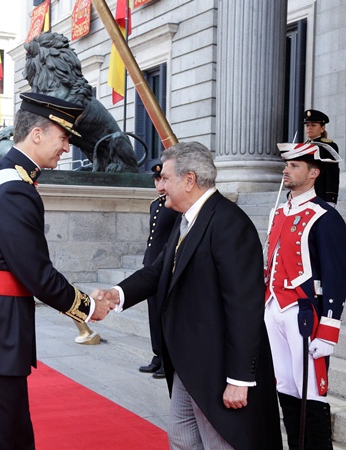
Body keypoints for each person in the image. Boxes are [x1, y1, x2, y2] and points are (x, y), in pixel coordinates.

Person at [0, 92, 113, 450]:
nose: (66, 148)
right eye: (63, 137)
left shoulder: (2, 176)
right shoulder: (16, 190)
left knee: (1, 433)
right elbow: (36, 273)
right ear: (37, 134)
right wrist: (86, 307)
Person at [96, 142, 282, 450]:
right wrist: (116, 295)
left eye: (166, 178)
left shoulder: (229, 223)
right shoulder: (188, 220)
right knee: (182, 438)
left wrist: (239, 378)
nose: (161, 186)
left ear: (189, 179)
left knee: (218, 442)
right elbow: (158, 272)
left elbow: (244, 308)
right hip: (188, 362)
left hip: (218, 368)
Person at [264, 142, 346, 449]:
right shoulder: (278, 212)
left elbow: (337, 276)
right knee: (285, 385)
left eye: (295, 165)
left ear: (313, 173)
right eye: (286, 165)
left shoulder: (325, 216)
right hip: (274, 308)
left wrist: (328, 328)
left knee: (311, 390)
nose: (286, 169)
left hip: (304, 313)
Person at [138, 160, 179, 379]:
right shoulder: (155, 204)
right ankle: (158, 355)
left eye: (163, 179)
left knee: (164, 315)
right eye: (156, 179)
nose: (159, 184)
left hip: (166, 267)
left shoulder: (176, 206)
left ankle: (168, 359)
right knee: (153, 314)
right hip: (151, 265)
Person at [303, 109, 340, 205]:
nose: (309, 128)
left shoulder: (328, 146)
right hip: (303, 194)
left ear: (322, 128)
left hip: (320, 194)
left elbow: (332, 174)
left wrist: (330, 198)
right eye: (307, 125)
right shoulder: (302, 147)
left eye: (313, 125)